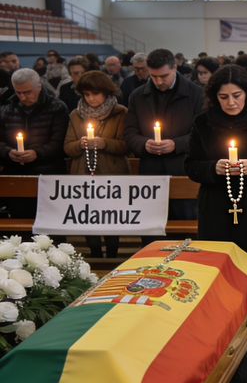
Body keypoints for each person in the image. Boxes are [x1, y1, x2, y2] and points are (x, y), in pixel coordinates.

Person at [184, 65, 247, 269]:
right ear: (215, 96)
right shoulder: (203, 123)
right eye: (223, 97)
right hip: (215, 207)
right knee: (216, 270)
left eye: (236, 95)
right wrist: (213, 168)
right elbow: (191, 165)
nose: (231, 102)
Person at [124, 48, 204, 223]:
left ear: (175, 68)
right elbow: (129, 133)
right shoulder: (138, 96)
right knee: (151, 226)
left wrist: (177, 144)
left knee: (186, 225)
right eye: (154, 76)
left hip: (183, 171)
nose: (159, 81)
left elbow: (204, 134)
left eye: (164, 76)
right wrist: (144, 144)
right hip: (150, 172)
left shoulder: (196, 94)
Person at [63, 71, 130, 258]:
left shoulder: (120, 113)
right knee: (88, 219)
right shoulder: (76, 115)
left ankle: (112, 256)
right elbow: (67, 147)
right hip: (82, 176)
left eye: (95, 93)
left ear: (106, 92)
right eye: (86, 94)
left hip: (112, 177)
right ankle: (94, 255)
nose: (91, 98)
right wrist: (80, 144)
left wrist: (104, 143)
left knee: (111, 220)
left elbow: (127, 146)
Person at [0, 69, 69, 222]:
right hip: (16, 174)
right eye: (18, 93)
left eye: (27, 92)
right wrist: (8, 152)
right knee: (20, 220)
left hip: (48, 173)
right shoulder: (6, 109)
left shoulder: (56, 107)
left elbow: (58, 142)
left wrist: (37, 153)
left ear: (38, 86)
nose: (23, 97)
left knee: (50, 222)